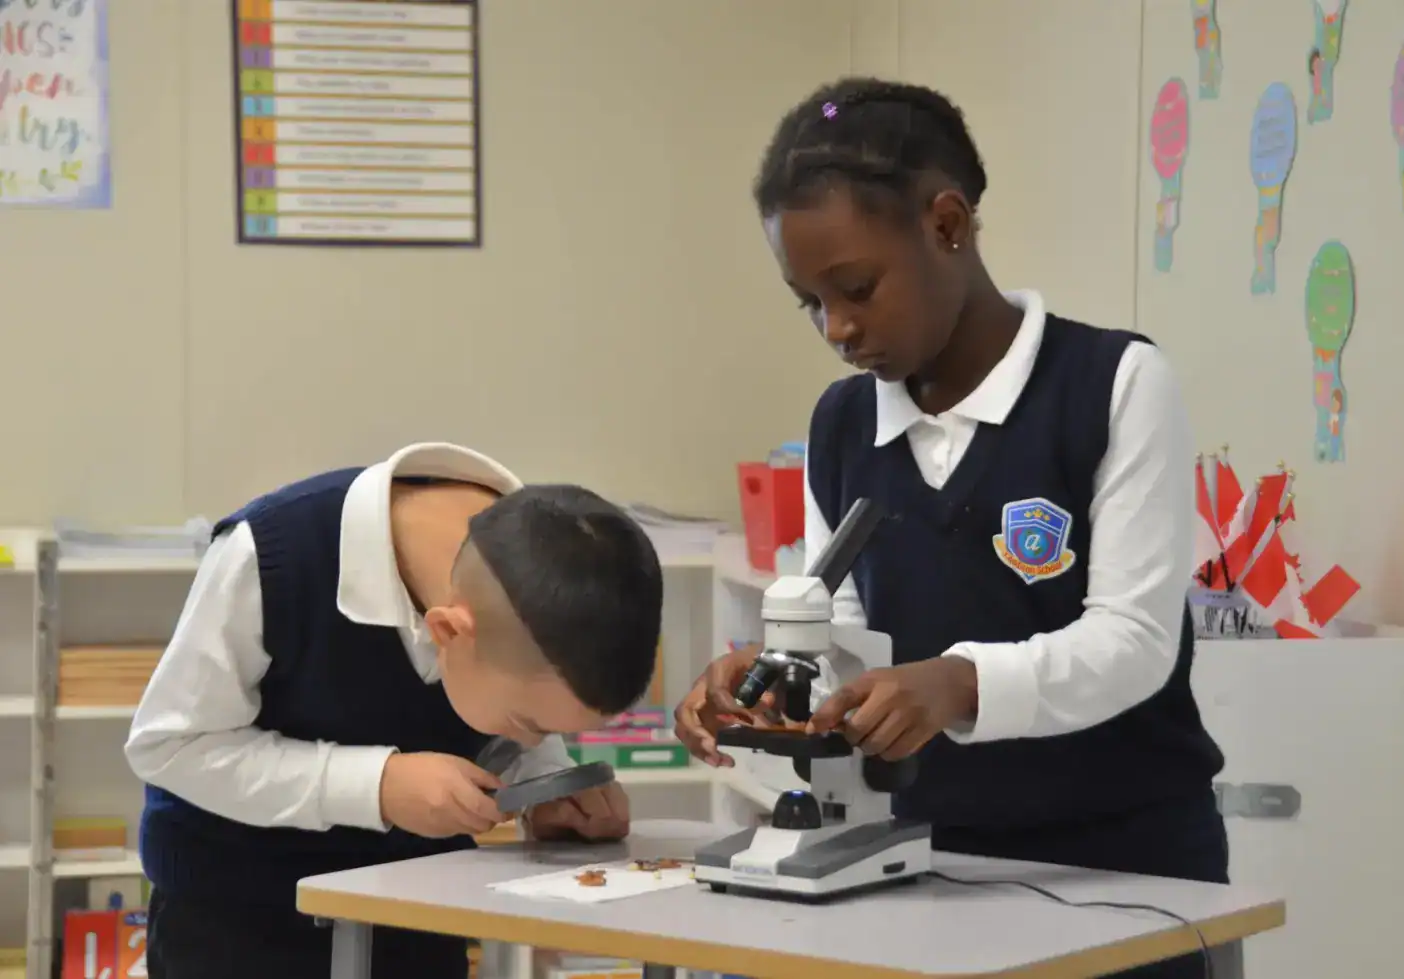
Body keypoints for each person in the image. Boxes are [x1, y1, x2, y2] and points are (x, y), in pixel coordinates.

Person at [675, 78, 1225, 979]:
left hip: (1123, 869)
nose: (837, 328)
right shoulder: (843, 425)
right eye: (807, 302)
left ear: (946, 225)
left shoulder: (1113, 385)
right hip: (926, 864)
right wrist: (777, 675)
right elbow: (843, 629)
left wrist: (957, 683)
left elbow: (1133, 642)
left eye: (855, 288)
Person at [126, 442, 662, 979]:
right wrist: (376, 785)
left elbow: (512, 711)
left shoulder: (553, 573)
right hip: (234, 923)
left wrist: (547, 783)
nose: (534, 737)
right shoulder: (270, 556)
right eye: (532, 725)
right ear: (448, 631)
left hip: (412, 917)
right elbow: (169, 746)